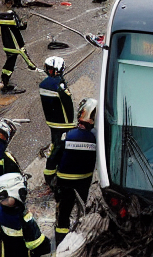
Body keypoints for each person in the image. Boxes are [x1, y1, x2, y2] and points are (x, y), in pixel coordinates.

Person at [49, 99, 98, 247]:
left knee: (63, 214)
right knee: (83, 212)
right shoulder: (96, 138)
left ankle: (61, 244)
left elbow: (53, 159)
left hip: (64, 183)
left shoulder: (68, 135)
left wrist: (50, 178)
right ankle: (80, 242)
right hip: (84, 183)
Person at [0, 173, 51, 257]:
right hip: (23, 250)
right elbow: (36, 243)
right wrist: (47, 244)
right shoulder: (24, 217)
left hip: (8, 247)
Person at [40, 56, 76, 185]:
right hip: (61, 124)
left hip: (53, 122)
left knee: (57, 145)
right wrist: (71, 124)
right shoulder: (57, 85)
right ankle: (49, 176)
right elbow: (67, 106)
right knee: (58, 146)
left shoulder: (46, 83)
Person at [0, 0, 37, 94]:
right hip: (14, 46)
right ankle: (5, 84)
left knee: (9, 64)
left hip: (7, 45)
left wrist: (23, 24)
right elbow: (23, 52)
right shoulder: (12, 22)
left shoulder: (2, 21)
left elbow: (18, 26)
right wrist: (33, 67)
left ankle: (4, 80)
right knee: (10, 65)